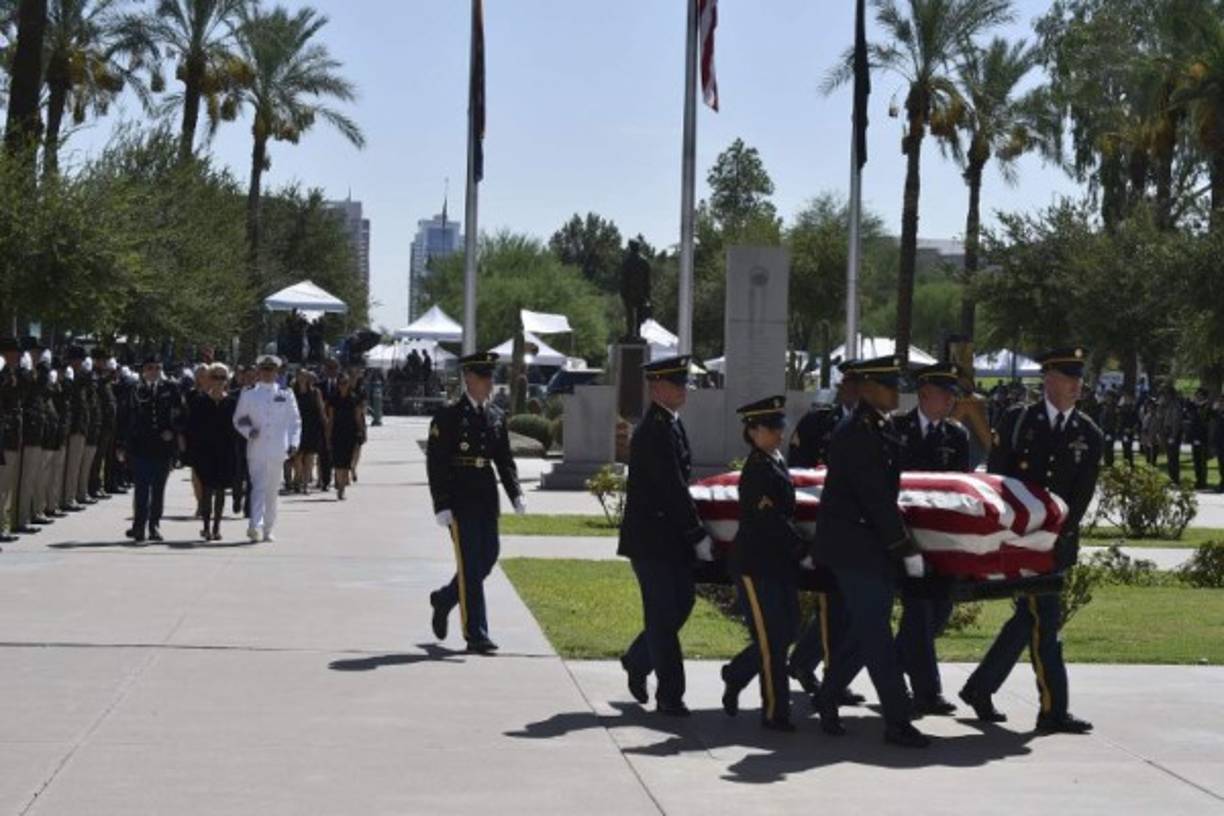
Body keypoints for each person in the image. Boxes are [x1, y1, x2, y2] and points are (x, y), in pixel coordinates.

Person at [960, 347, 1102, 735]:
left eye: (1079, 379)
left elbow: (1082, 497)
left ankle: (980, 688)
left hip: (1055, 544)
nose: (1077, 386)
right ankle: (1053, 709)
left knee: (1032, 617)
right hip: (1021, 541)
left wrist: (1057, 537)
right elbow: (999, 480)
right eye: (1069, 378)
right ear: (1050, 380)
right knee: (1045, 619)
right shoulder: (1020, 421)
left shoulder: (1089, 433)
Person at [812, 356, 931, 749]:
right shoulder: (857, 433)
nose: (895, 391)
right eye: (887, 384)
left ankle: (828, 695)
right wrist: (905, 547)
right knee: (876, 634)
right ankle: (896, 720)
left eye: (896, 384)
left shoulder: (880, 427)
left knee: (868, 632)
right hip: (854, 547)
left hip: (869, 545)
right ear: (864, 388)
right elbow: (875, 498)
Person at [616, 355, 712, 716]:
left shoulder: (671, 423)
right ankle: (670, 695)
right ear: (657, 388)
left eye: (683, 383)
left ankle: (638, 660)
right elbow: (672, 488)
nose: (683, 389)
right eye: (677, 383)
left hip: (668, 538)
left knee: (681, 605)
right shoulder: (655, 430)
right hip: (652, 540)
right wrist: (696, 532)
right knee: (662, 616)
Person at [427, 352, 524, 654]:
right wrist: (441, 504)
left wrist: (516, 493)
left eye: (491, 377)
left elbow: (504, 460)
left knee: (488, 557)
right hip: (459, 499)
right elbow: (437, 463)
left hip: (485, 496)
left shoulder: (495, 416)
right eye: (483, 377)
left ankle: (445, 598)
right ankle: (476, 633)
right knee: (470, 564)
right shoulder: (449, 415)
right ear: (468, 378)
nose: (489, 382)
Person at [720, 396, 807, 732]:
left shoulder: (775, 460)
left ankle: (737, 672)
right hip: (756, 565)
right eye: (771, 428)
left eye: (779, 426)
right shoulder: (757, 469)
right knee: (773, 638)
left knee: (788, 631)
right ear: (753, 432)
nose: (778, 433)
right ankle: (775, 712)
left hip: (778, 563)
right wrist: (802, 548)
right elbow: (770, 520)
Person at [891, 362, 971, 718]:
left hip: (942, 540)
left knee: (939, 611)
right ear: (925, 395)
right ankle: (927, 691)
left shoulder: (957, 436)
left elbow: (962, 487)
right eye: (946, 395)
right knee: (920, 612)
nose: (952, 402)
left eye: (954, 396)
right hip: (904, 538)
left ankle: (893, 662)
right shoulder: (896, 429)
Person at [787, 362, 861, 707]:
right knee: (836, 605)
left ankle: (807, 663)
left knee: (844, 606)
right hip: (822, 529)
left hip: (858, 531)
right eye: (850, 383)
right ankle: (833, 680)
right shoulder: (818, 423)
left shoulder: (878, 427)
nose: (854, 390)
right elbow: (796, 477)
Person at [233, 355, 301, 543]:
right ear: (259, 371)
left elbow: (295, 421)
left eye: (271, 370)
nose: (267, 373)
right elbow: (239, 418)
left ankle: (268, 528)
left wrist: (294, 442)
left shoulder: (286, 393)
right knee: (258, 487)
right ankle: (255, 524)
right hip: (257, 448)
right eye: (264, 369)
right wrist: (249, 430)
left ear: (277, 372)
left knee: (272, 491)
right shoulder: (249, 393)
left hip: (278, 449)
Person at [118, 355, 182, 543]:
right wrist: (121, 444)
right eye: (149, 368)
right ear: (143, 370)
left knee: (158, 489)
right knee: (141, 489)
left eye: (156, 367)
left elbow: (180, 412)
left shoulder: (170, 388)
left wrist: (172, 430)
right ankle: (139, 526)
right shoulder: (134, 390)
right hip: (140, 447)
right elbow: (125, 417)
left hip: (162, 447)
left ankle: (154, 525)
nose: (153, 371)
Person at [186, 363, 237, 541]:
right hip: (204, 452)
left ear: (227, 380)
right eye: (215, 377)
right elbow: (191, 427)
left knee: (221, 490)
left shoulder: (232, 402)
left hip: (225, 451)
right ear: (208, 379)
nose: (218, 381)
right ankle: (206, 526)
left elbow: (238, 428)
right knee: (207, 490)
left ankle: (217, 527)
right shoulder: (199, 401)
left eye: (222, 378)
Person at [14, 338, 47, 534]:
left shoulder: (34, 372)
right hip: (24, 431)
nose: (36, 355)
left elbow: (41, 388)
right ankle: (20, 519)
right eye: (33, 352)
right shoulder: (22, 373)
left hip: (35, 431)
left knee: (31, 476)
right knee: (21, 479)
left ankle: (26, 516)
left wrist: (40, 368)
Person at [326, 373, 363, 500]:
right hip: (337, 431)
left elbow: (358, 417)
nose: (343, 386)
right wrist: (328, 434)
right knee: (337, 460)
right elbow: (330, 418)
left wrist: (360, 431)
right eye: (341, 383)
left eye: (345, 383)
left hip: (350, 432)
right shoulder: (333, 399)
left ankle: (341, 488)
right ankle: (339, 482)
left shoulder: (354, 398)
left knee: (346, 460)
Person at [0, 337, 22, 545]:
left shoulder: (14, 373)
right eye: (14, 352)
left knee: (7, 486)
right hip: (5, 436)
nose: (18, 356)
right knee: (3, 485)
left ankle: (4, 525)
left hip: (12, 435)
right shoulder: (4, 374)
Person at [292, 369, 327, 494]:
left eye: (304, 376)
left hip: (312, 427)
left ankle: (305, 485)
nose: (302, 378)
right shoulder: (292, 393)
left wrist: (326, 425)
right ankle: (298, 478)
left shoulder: (315, 392)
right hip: (297, 427)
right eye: (300, 376)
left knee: (309, 457)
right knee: (297, 457)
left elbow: (321, 410)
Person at [316, 358, 341, 491]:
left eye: (334, 368)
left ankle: (339, 478)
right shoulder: (319, 386)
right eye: (329, 368)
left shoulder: (342, 386)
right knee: (324, 453)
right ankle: (325, 480)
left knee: (338, 453)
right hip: (323, 424)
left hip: (338, 424)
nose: (331, 371)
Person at [1188, 388, 1211, 490]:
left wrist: (1200, 438)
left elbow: (1205, 423)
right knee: (1196, 461)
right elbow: (1188, 409)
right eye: (1196, 395)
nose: (1197, 397)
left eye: (1199, 395)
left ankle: (1203, 481)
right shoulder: (1195, 407)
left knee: (1202, 462)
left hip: (1203, 438)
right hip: (1194, 438)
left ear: (1204, 396)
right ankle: (1198, 481)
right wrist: (1192, 402)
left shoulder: (1207, 407)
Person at [1118, 391, 1139, 469]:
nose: (1127, 399)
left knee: (1129, 448)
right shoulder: (1122, 408)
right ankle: (1125, 463)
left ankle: (1130, 464)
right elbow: (1120, 420)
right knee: (1124, 447)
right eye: (1126, 398)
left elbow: (1136, 421)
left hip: (1130, 430)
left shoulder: (1133, 409)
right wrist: (1122, 429)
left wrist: (1132, 429)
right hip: (1124, 430)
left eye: (1128, 398)